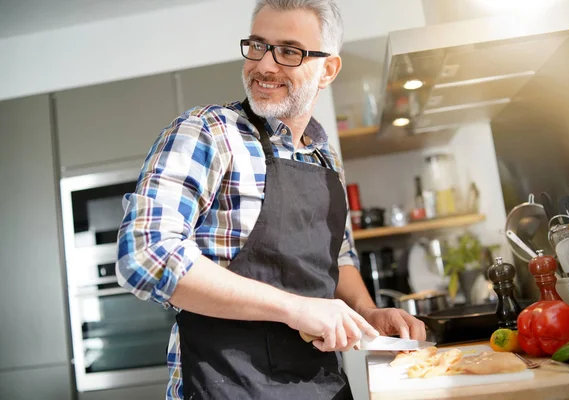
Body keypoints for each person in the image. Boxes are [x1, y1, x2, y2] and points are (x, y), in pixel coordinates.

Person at [116, 0, 426, 398]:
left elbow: (338, 257)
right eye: (258, 45)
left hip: (321, 388)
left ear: (327, 70)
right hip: (225, 386)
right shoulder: (208, 132)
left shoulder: (322, 156)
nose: (264, 65)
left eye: (289, 51)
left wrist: (366, 313)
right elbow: (145, 254)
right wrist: (296, 308)